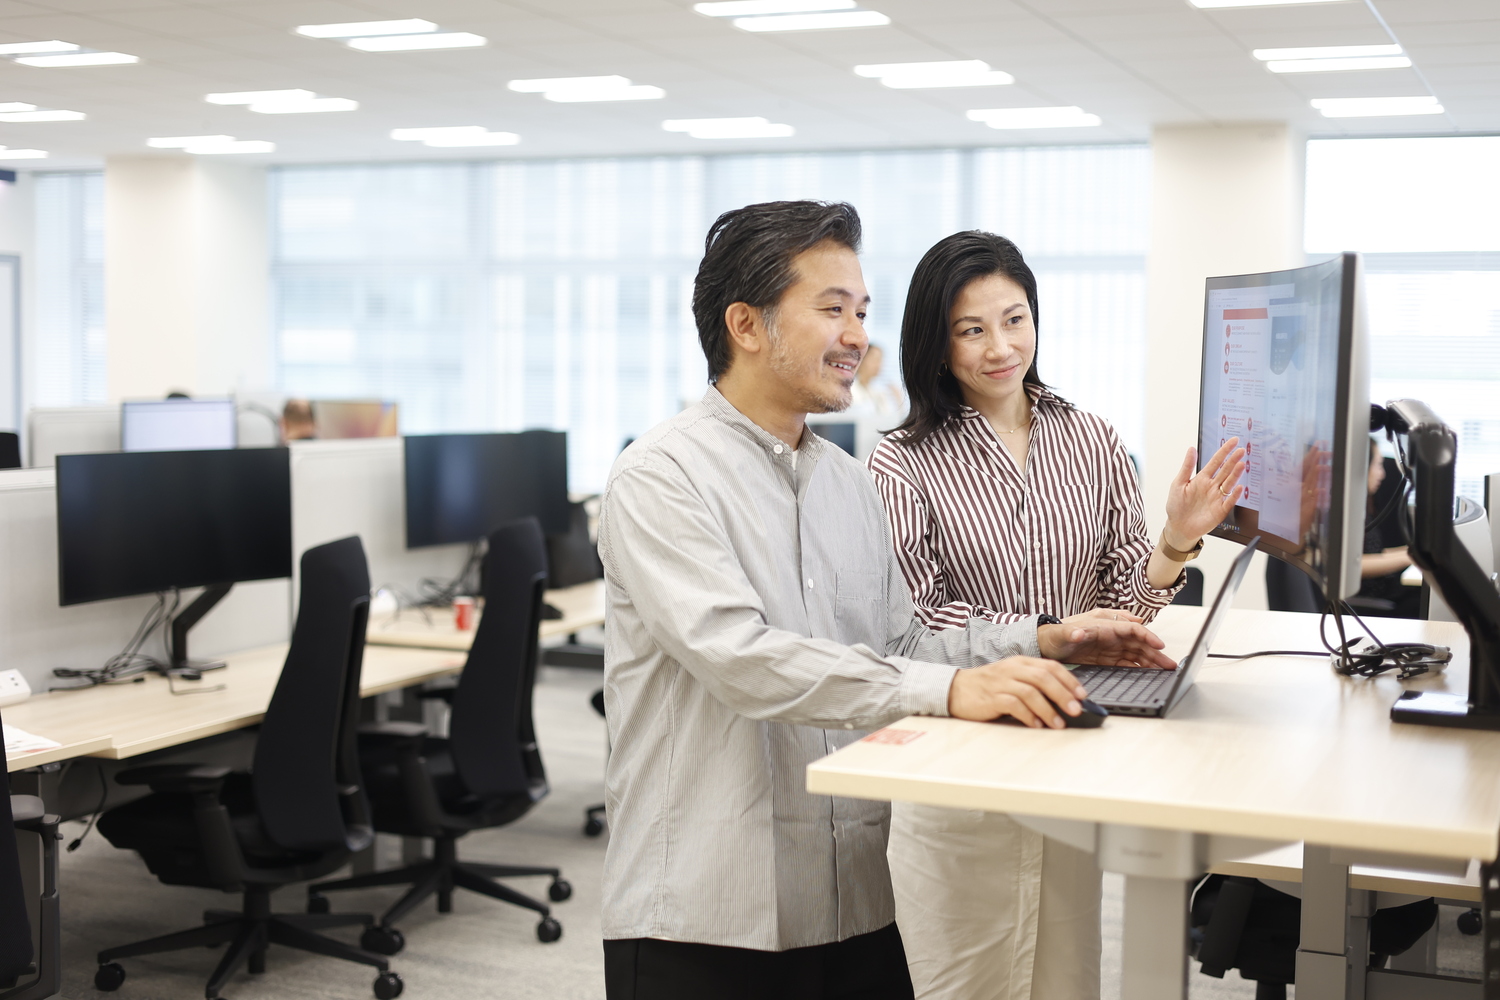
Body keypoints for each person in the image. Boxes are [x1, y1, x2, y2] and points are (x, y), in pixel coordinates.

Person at [595, 202, 1176, 1000]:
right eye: (833, 309)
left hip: (853, 900)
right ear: (747, 325)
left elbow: (902, 643)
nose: (857, 337)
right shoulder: (661, 475)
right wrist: (954, 688)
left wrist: (1043, 641)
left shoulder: (844, 482)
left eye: (862, 312)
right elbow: (741, 660)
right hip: (708, 916)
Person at [865, 230, 1246, 1000]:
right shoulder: (900, 461)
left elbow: (1123, 605)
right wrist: (1050, 636)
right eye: (971, 329)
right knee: (965, 981)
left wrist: (1175, 541)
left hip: (1069, 748)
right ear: (936, 344)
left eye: (1015, 320)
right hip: (962, 759)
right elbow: (917, 628)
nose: (1000, 347)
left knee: (1066, 973)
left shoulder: (1091, 437)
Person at [1356, 437, 1417, 617]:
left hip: (1384, 593)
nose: (1382, 474)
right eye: (1378, 465)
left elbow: (1374, 554)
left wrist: (1414, 551)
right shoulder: (1338, 511)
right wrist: (1412, 557)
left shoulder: (1362, 507)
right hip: (1367, 602)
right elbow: (1352, 565)